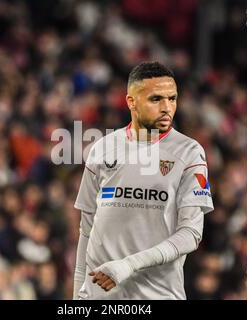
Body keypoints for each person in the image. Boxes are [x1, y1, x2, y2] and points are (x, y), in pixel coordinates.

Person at [73, 61, 214, 300]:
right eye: (156, 99)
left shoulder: (189, 152)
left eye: (172, 98)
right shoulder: (102, 149)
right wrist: (78, 296)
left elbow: (191, 234)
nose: (167, 107)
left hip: (157, 296)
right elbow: (86, 230)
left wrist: (128, 265)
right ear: (131, 102)